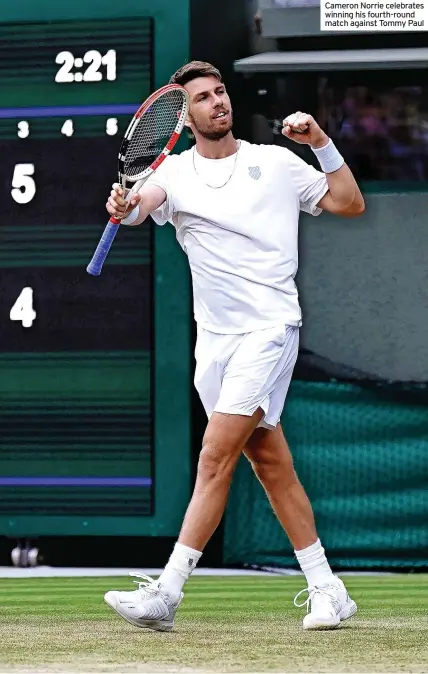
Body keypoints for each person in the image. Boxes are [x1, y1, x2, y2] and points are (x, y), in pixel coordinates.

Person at [104, 61, 365, 632]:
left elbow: (349, 201)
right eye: (203, 97)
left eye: (221, 92)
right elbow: (136, 206)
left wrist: (319, 141)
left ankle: (166, 593)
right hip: (215, 343)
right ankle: (328, 589)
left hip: (270, 329)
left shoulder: (273, 162)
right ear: (186, 114)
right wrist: (122, 207)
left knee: (214, 456)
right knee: (270, 463)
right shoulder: (172, 173)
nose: (217, 102)